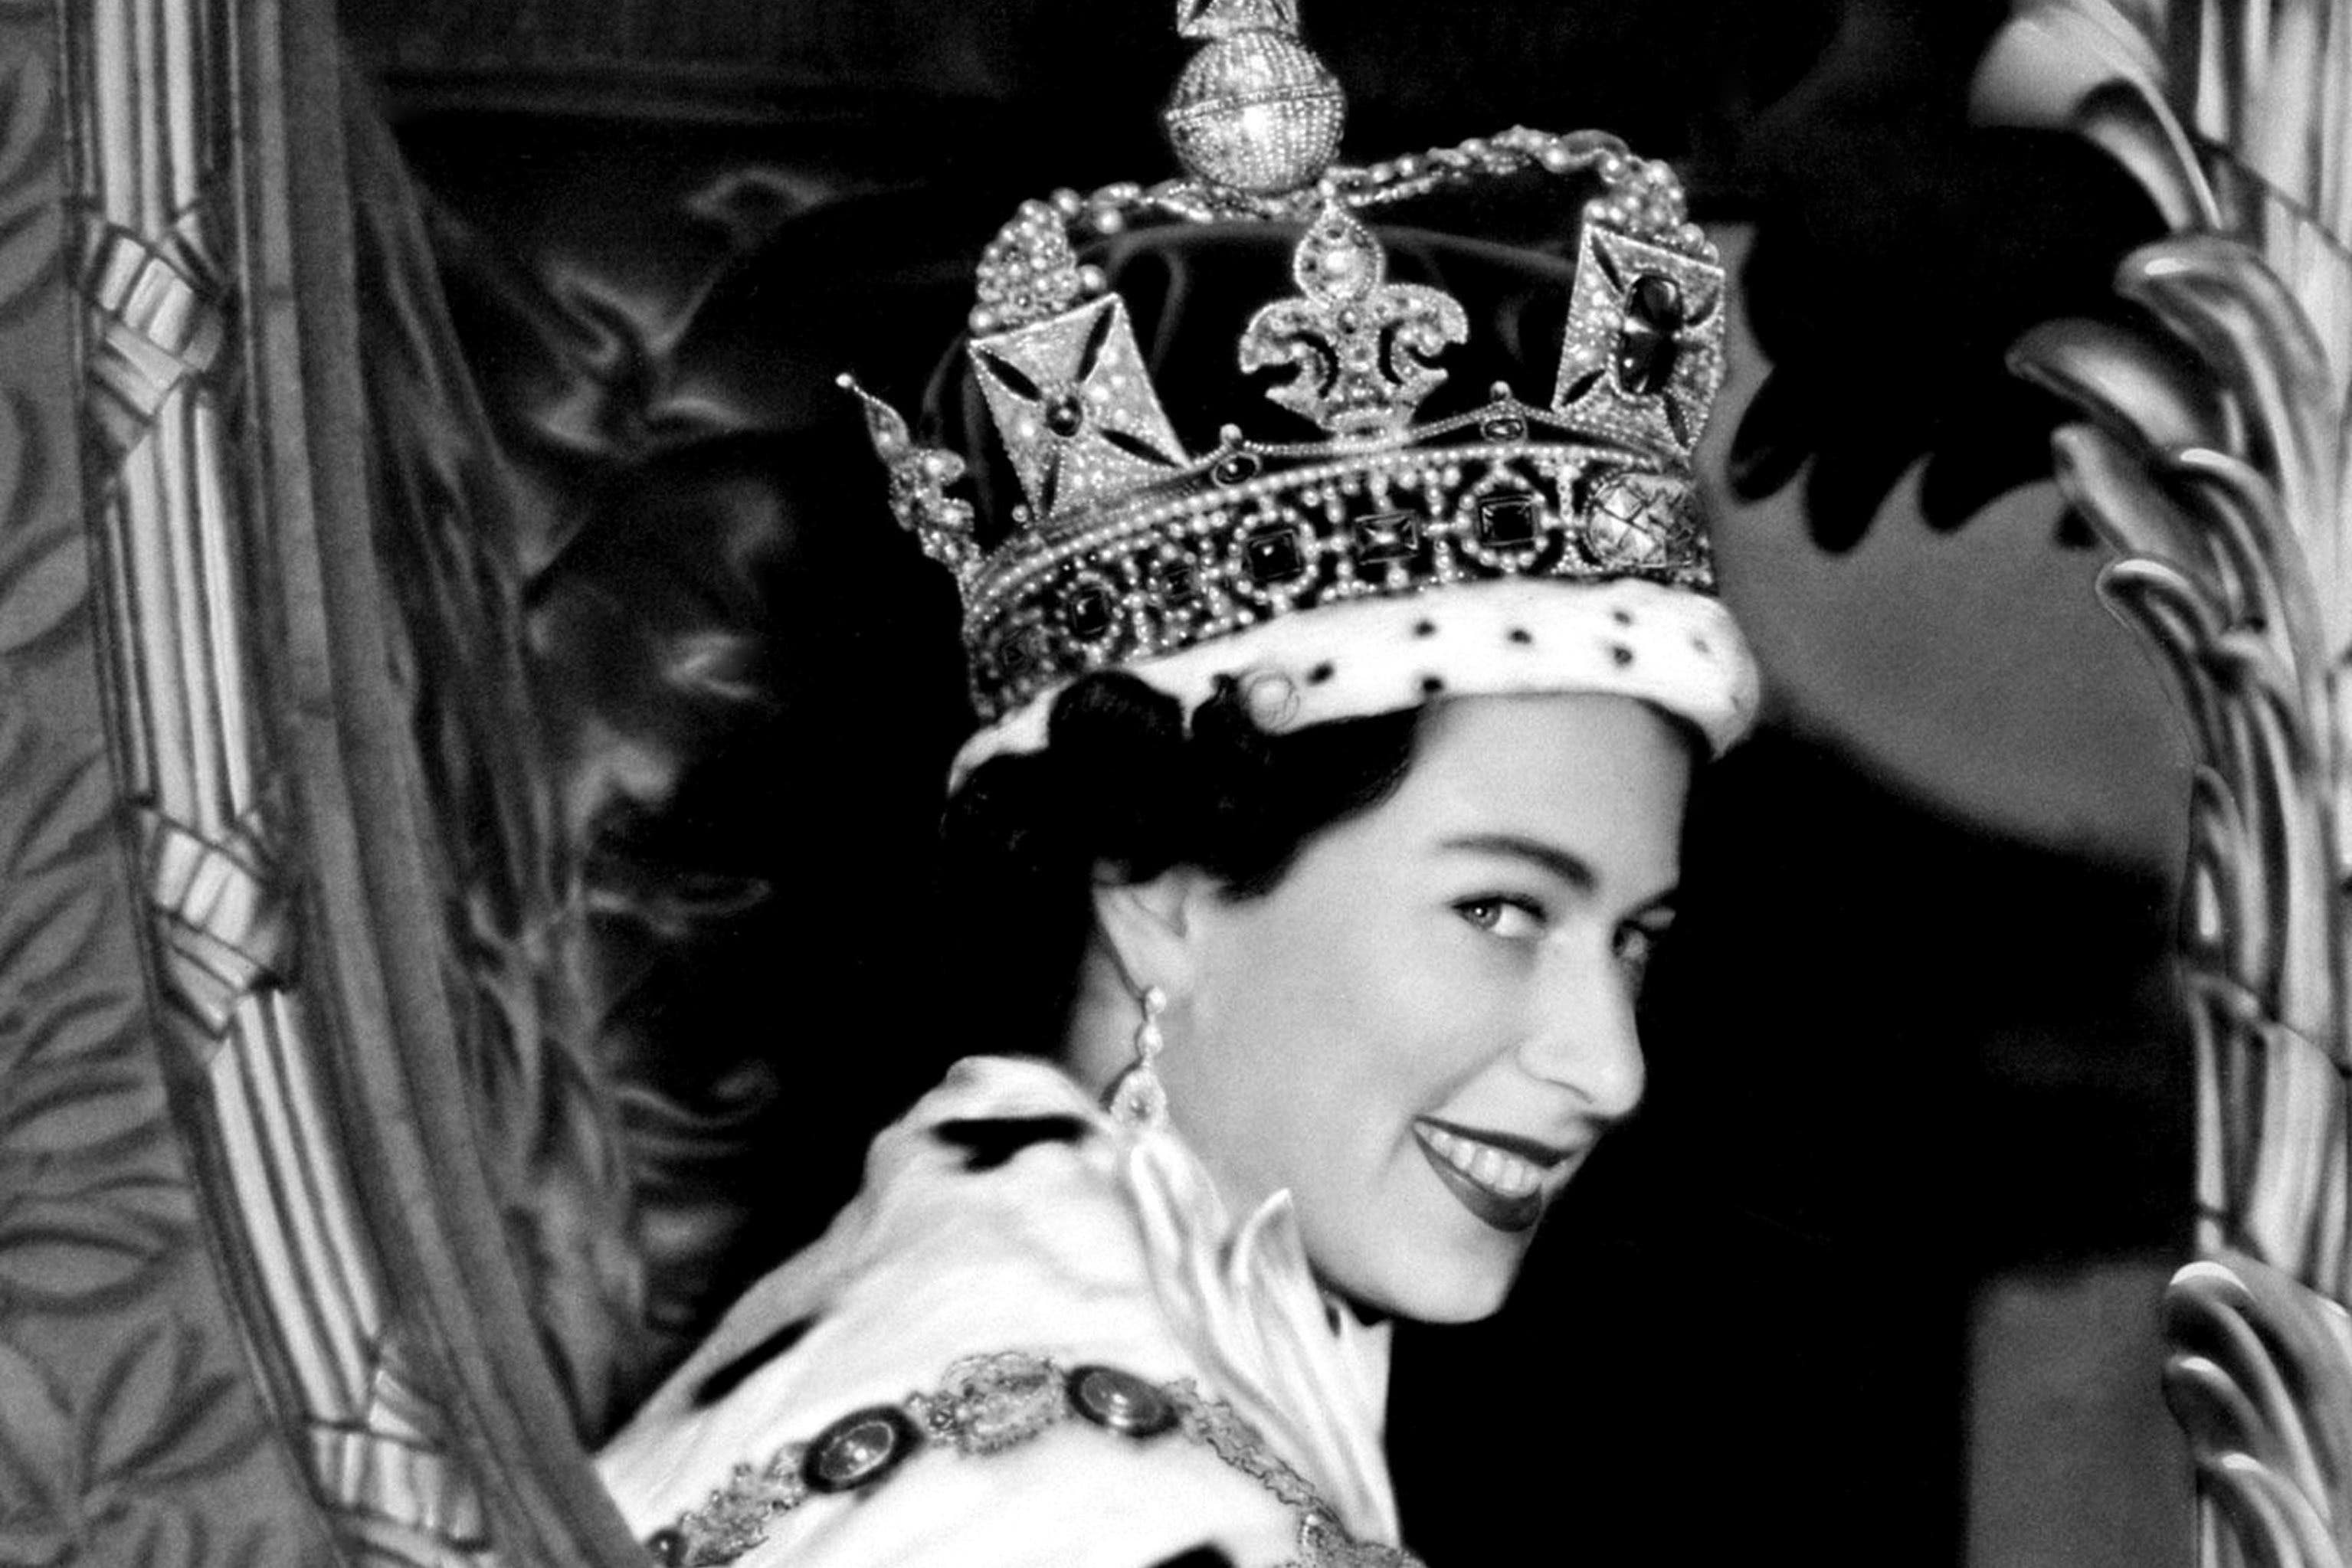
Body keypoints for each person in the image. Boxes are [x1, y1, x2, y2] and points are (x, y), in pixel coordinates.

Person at [595, 5, 1758, 1563]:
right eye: (1498, 905)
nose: (1605, 1066)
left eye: (1632, 935)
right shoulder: (1078, 1492)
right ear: (1158, 882)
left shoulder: (1006, 1329)